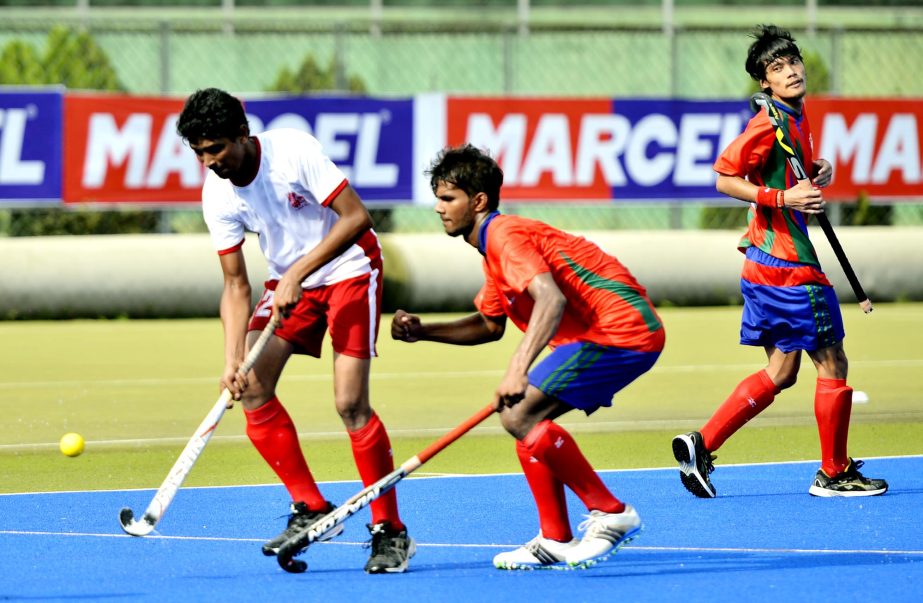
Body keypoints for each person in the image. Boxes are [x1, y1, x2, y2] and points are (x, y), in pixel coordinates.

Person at [390, 144, 666, 570]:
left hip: (620, 329)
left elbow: (549, 300)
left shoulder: (505, 237)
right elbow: (488, 324)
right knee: (527, 422)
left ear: (478, 201)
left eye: (447, 199)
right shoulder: (492, 248)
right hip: (607, 333)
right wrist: (424, 332)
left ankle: (611, 513)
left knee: (519, 415)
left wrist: (517, 370)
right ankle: (555, 538)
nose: (437, 208)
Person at [175, 87, 414, 573]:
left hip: (349, 268)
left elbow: (356, 218)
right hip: (291, 281)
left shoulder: (292, 151)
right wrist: (230, 362)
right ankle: (310, 506)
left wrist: (296, 273)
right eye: (199, 152)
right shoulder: (216, 194)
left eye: (216, 148)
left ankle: (390, 530)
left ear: (242, 133)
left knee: (350, 402)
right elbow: (236, 286)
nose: (209, 161)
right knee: (254, 386)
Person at [671, 25, 887, 499]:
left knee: (782, 371)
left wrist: (813, 172)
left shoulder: (796, 117)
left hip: (765, 267)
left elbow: (781, 169)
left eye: (793, 62)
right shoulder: (768, 122)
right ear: (764, 82)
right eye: (777, 68)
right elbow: (725, 178)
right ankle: (834, 473)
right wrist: (783, 197)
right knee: (832, 360)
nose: (790, 71)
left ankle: (701, 444)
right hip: (789, 268)